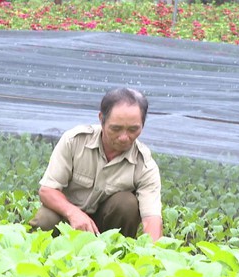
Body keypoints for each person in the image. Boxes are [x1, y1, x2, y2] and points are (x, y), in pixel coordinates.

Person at [29, 87, 162, 241]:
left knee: (127, 204)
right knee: (46, 219)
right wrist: (74, 213)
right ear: (101, 119)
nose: (124, 137)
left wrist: (154, 254)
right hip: (68, 220)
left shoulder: (144, 164)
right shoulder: (75, 141)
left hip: (107, 229)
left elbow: (152, 219)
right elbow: (47, 191)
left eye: (133, 129)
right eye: (116, 128)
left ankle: (113, 259)